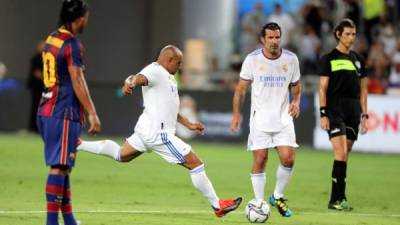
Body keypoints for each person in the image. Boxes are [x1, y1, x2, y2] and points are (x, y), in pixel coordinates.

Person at [77, 45, 242, 218]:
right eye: (179, 63)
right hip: (159, 134)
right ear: (170, 60)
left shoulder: (169, 78)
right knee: (196, 164)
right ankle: (218, 206)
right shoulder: (155, 70)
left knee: (121, 154)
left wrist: (189, 124)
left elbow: (170, 108)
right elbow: (139, 78)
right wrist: (130, 82)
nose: (180, 66)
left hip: (146, 129)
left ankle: (79, 144)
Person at [36, 0, 101, 224]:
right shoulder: (72, 44)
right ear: (81, 17)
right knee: (58, 167)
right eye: (87, 16)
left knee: (64, 165)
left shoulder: (52, 38)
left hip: (46, 108)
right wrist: (92, 112)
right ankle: (52, 222)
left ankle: (70, 220)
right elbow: (77, 79)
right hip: (62, 111)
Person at [230, 22, 301, 217]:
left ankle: (277, 196)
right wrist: (236, 114)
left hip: (283, 118)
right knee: (260, 159)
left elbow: (296, 85)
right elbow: (240, 89)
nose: (274, 41)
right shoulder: (252, 60)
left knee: (288, 159)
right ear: (263, 39)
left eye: (277, 37)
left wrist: (296, 101)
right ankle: (259, 202)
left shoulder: (291, 59)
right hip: (260, 119)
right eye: (270, 37)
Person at [317, 18, 368, 211]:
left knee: (345, 156)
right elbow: (322, 89)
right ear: (338, 34)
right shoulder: (328, 59)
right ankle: (335, 199)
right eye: (347, 34)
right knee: (340, 153)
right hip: (335, 108)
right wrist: (323, 114)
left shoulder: (358, 60)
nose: (351, 37)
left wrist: (365, 116)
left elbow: (364, 90)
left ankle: (340, 197)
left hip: (354, 110)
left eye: (353, 34)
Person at [27, 41, 45, 133]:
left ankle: (40, 128)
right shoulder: (36, 58)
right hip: (36, 87)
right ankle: (32, 128)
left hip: (43, 88)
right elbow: (36, 73)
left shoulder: (46, 58)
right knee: (35, 108)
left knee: (42, 109)